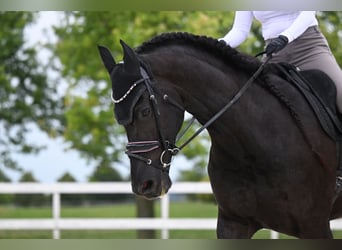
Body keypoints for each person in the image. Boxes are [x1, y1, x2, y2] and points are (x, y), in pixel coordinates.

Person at [219, 11, 342, 187]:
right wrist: (216, 45)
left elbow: (307, 13)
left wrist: (285, 37)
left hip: (309, 47)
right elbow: (240, 31)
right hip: (274, 53)